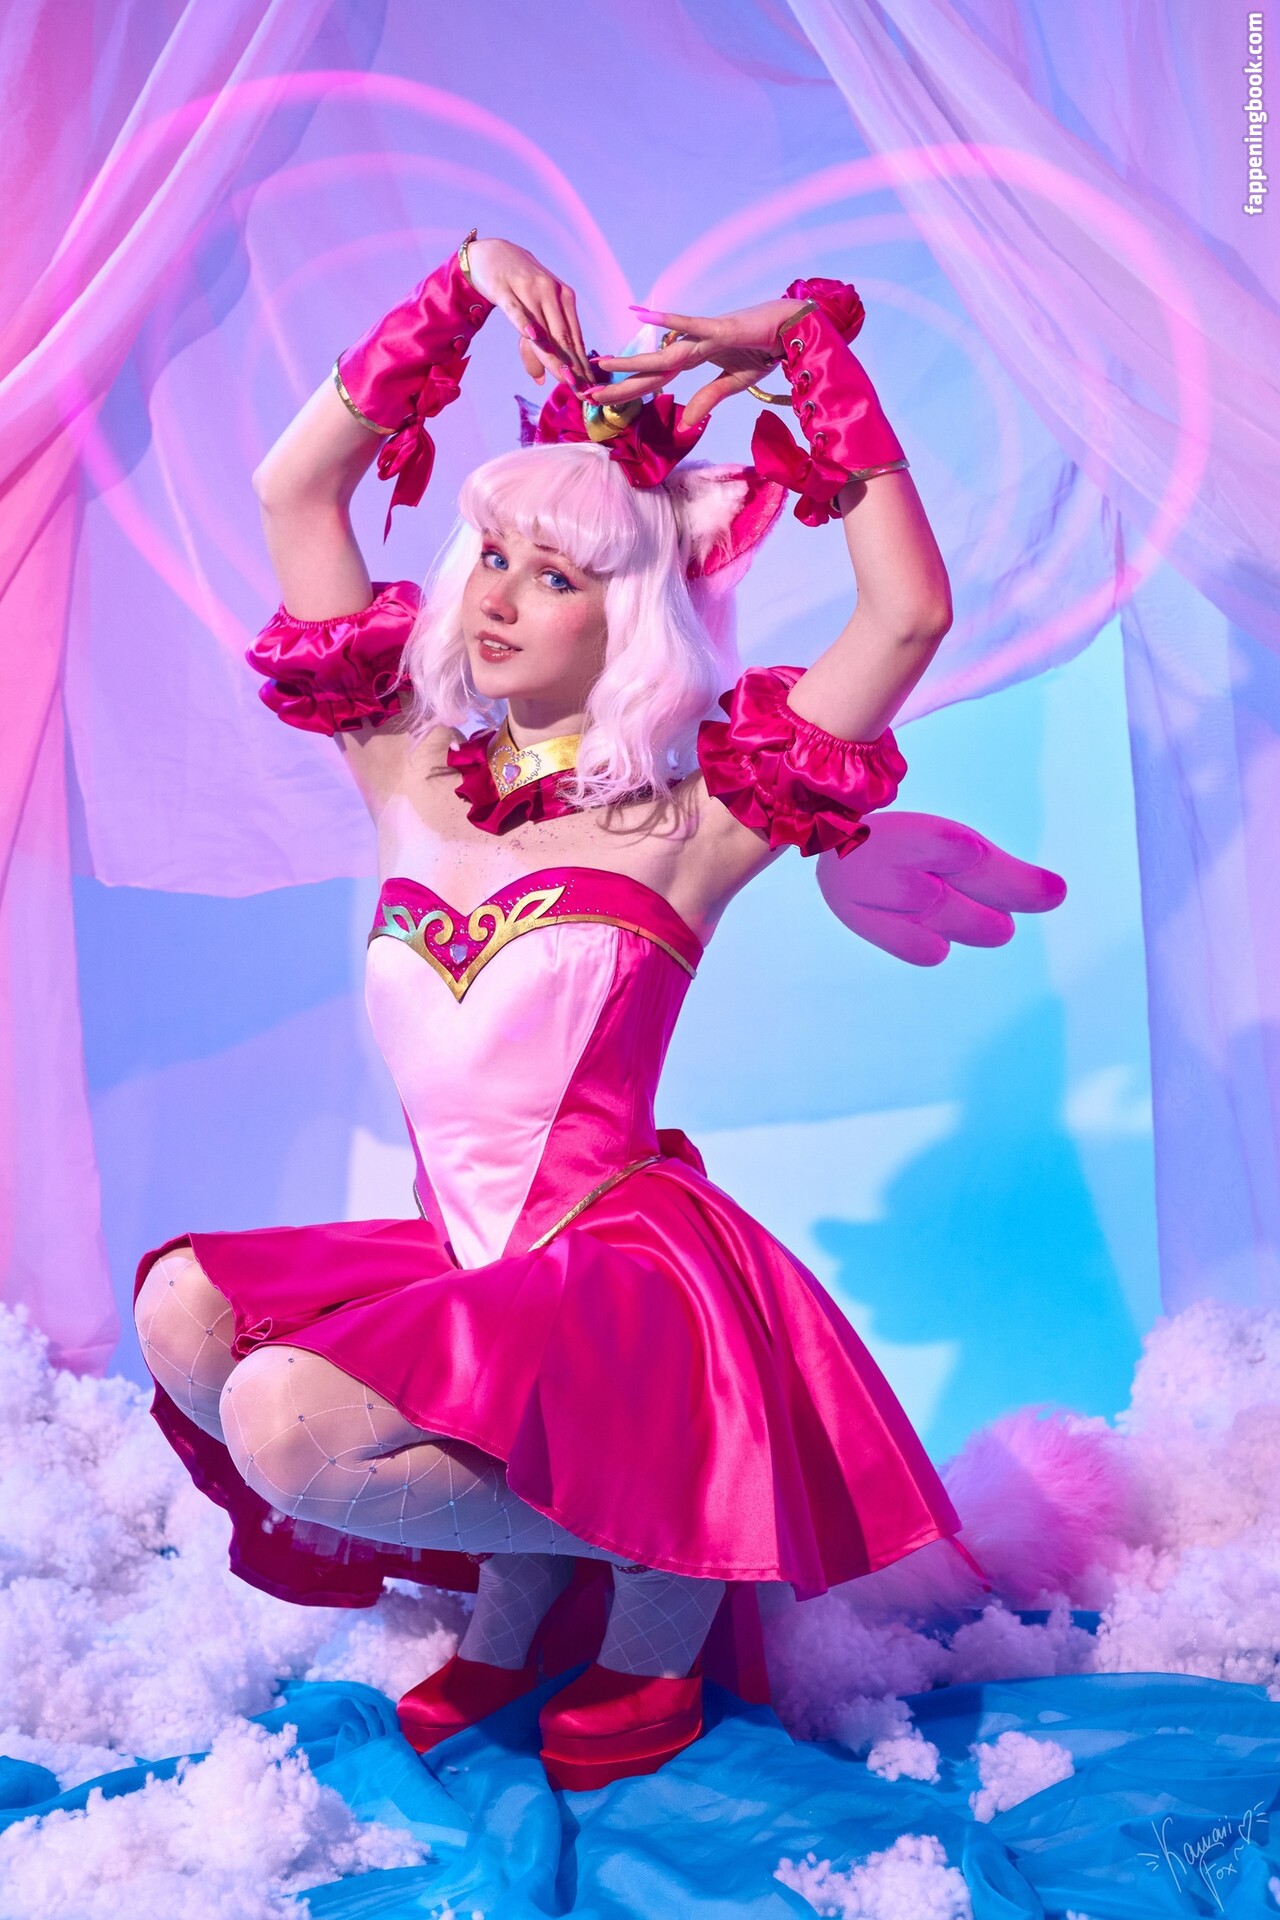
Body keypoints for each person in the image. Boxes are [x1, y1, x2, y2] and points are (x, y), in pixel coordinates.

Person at [132, 231, 1053, 1793]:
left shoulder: (696, 821)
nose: (498, 597)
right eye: (492, 553)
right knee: (183, 1315)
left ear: (630, 619)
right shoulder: (405, 762)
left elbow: (904, 619)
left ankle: (662, 1574)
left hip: (628, 1285)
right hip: (472, 1263)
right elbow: (297, 491)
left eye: (556, 576)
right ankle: (539, 1582)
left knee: (286, 1425)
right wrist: (455, 289)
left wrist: (809, 356)